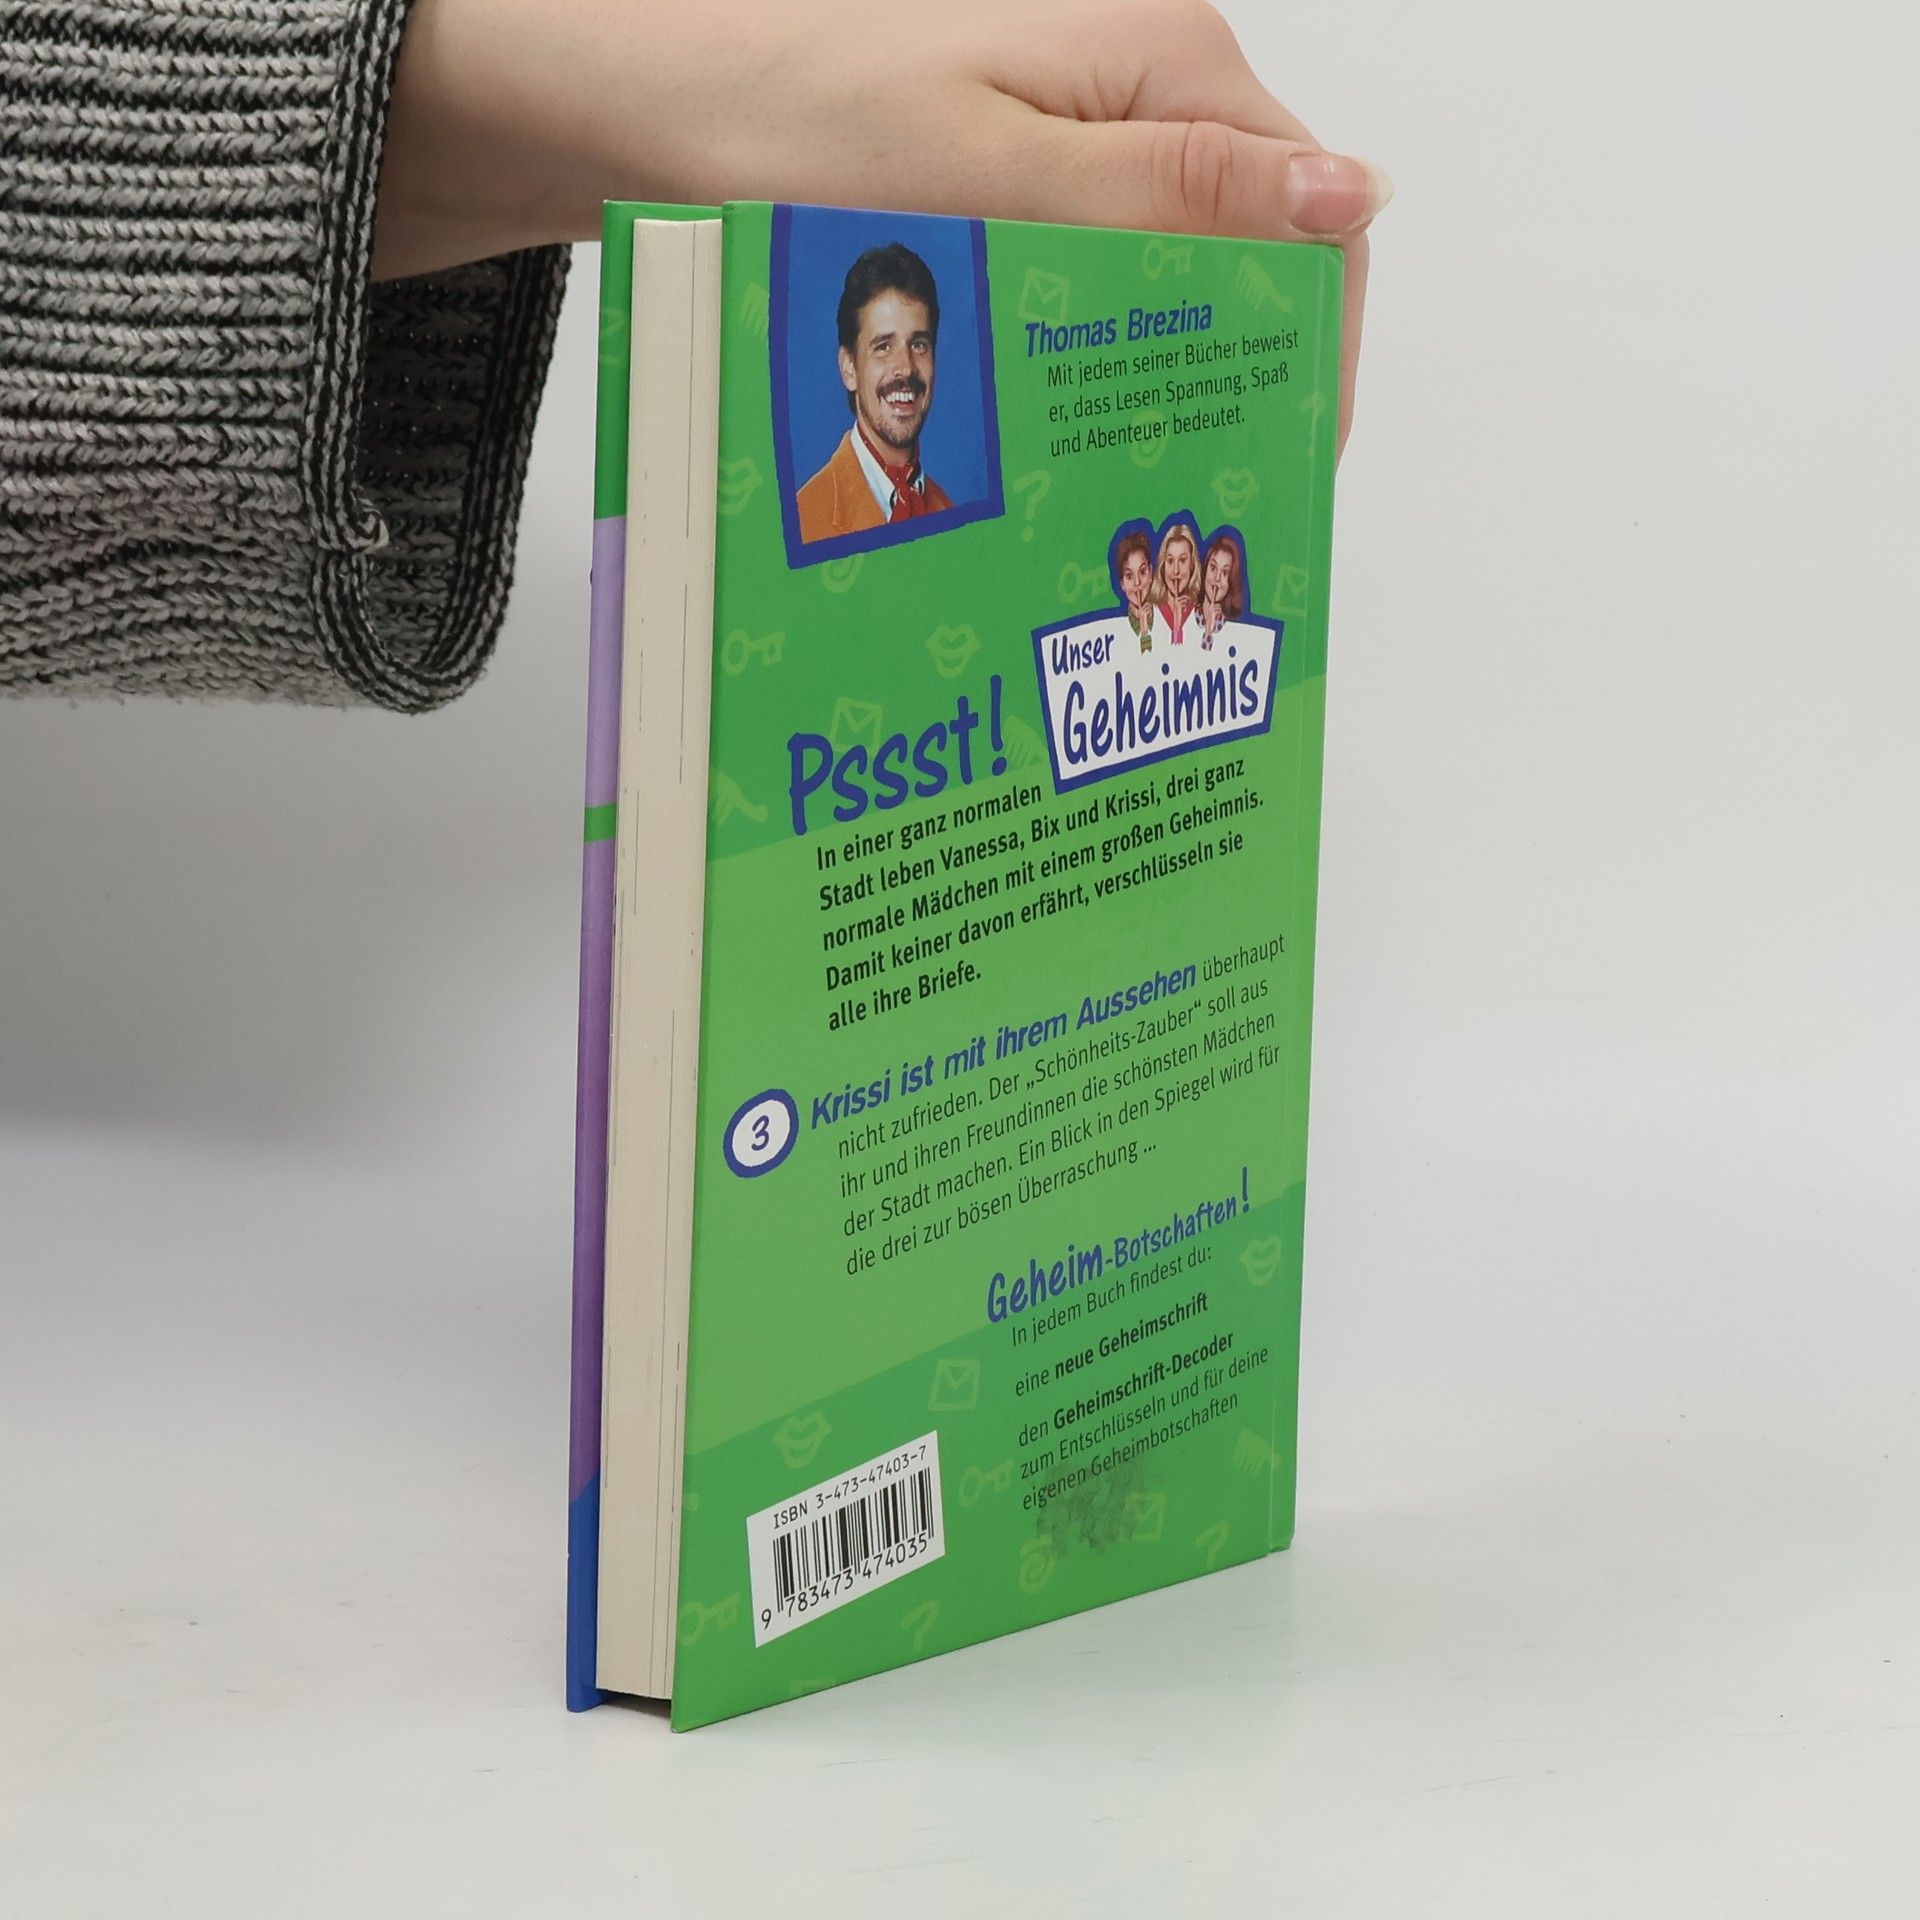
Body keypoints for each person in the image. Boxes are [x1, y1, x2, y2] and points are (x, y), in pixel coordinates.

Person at [1, 0, 1390, 710]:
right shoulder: (825, 510)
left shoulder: (948, 499)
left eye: (922, 345)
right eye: (886, 347)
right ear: (841, 367)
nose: (908, 373)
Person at [795, 245, 954, 543]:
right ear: (849, 368)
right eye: (883, 347)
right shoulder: (803, 521)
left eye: (919, 344)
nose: (906, 367)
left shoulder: (949, 511)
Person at [1151, 521, 1202, 646]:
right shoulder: (1151, 611)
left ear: (1192, 565)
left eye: (1182, 561)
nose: (1175, 571)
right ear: (1163, 565)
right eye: (1170, 561)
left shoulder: (1200, 613)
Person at [1196, 533, 1246, 649]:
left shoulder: (1233, 629)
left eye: (1225, 573)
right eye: (1213, 567)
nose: (1217, 578)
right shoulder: (1186, 614)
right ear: (1205, 569)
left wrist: (1209, 633)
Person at [1115, 530, 1157, 651]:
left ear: (1150, 573)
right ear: (1122, 584)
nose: (1137, 583)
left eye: (1142, 572)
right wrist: (1144, 630)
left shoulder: (1163, 613)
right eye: (1129, 576)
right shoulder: (1119, 626)